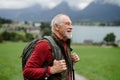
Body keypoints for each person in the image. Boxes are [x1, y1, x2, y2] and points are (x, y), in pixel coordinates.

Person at [23, 14, 80, 80]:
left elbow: (63, 70)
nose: (71, 27)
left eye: (71, 24)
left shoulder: (65, 43)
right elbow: (27, 72)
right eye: (67, 24)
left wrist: (71, 60)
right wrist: (51, 70)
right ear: (56, 27)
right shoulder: (44, 45)